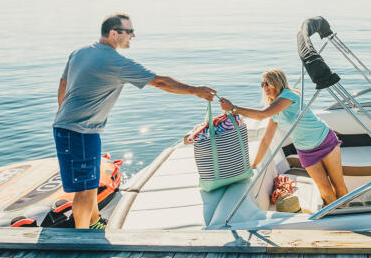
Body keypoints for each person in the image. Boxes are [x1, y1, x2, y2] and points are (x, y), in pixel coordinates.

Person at [54, 13, 216, 229]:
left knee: (91, 182)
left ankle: (94, 224)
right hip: (79, 132)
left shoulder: (80, 52)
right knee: (84, 189)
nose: (133, 35)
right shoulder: (115, 62)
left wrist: (64, 115)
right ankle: (80, 239)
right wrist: (196, 91)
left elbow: (63, 83)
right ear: (114, 33)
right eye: (129, 31)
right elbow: (160, 82)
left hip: (79, 129)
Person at [218, 69, 349, 204]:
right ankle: (335, 217)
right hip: (306, 151)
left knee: (338, 186)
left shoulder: (289, 95)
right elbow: (266, 139)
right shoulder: (274, 109)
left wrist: (233, 108)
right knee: (325, 191)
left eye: (267, 83)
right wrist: (254, 164)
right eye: (262, 84)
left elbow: (263, 114)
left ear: (277, 82)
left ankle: (346, 217)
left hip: (324, 140)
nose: (265, 87)